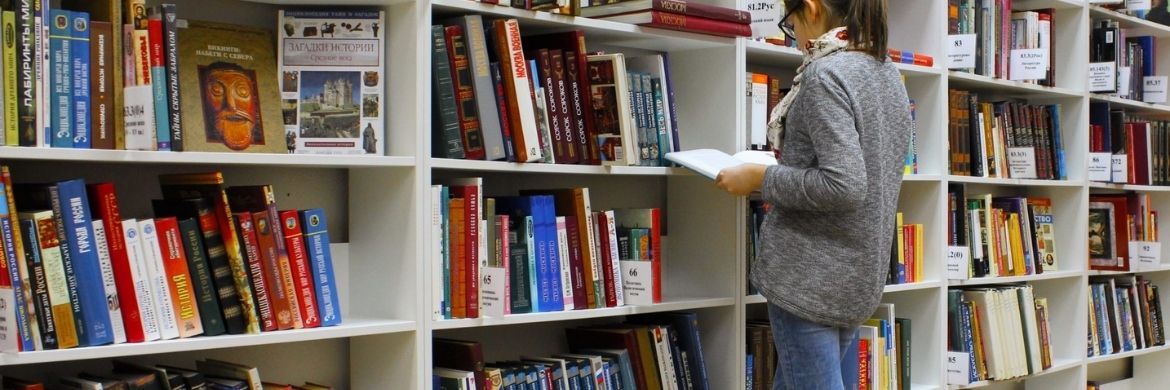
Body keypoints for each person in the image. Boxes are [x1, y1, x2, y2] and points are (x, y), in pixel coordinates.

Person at [715, 0, 911, 388]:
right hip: (856, 275)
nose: (794, 37)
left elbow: (844, 185)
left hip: (810, 277)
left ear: (812, 8)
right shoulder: (887, 72)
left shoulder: (825, 75)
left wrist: (759, 178)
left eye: (791, 24)